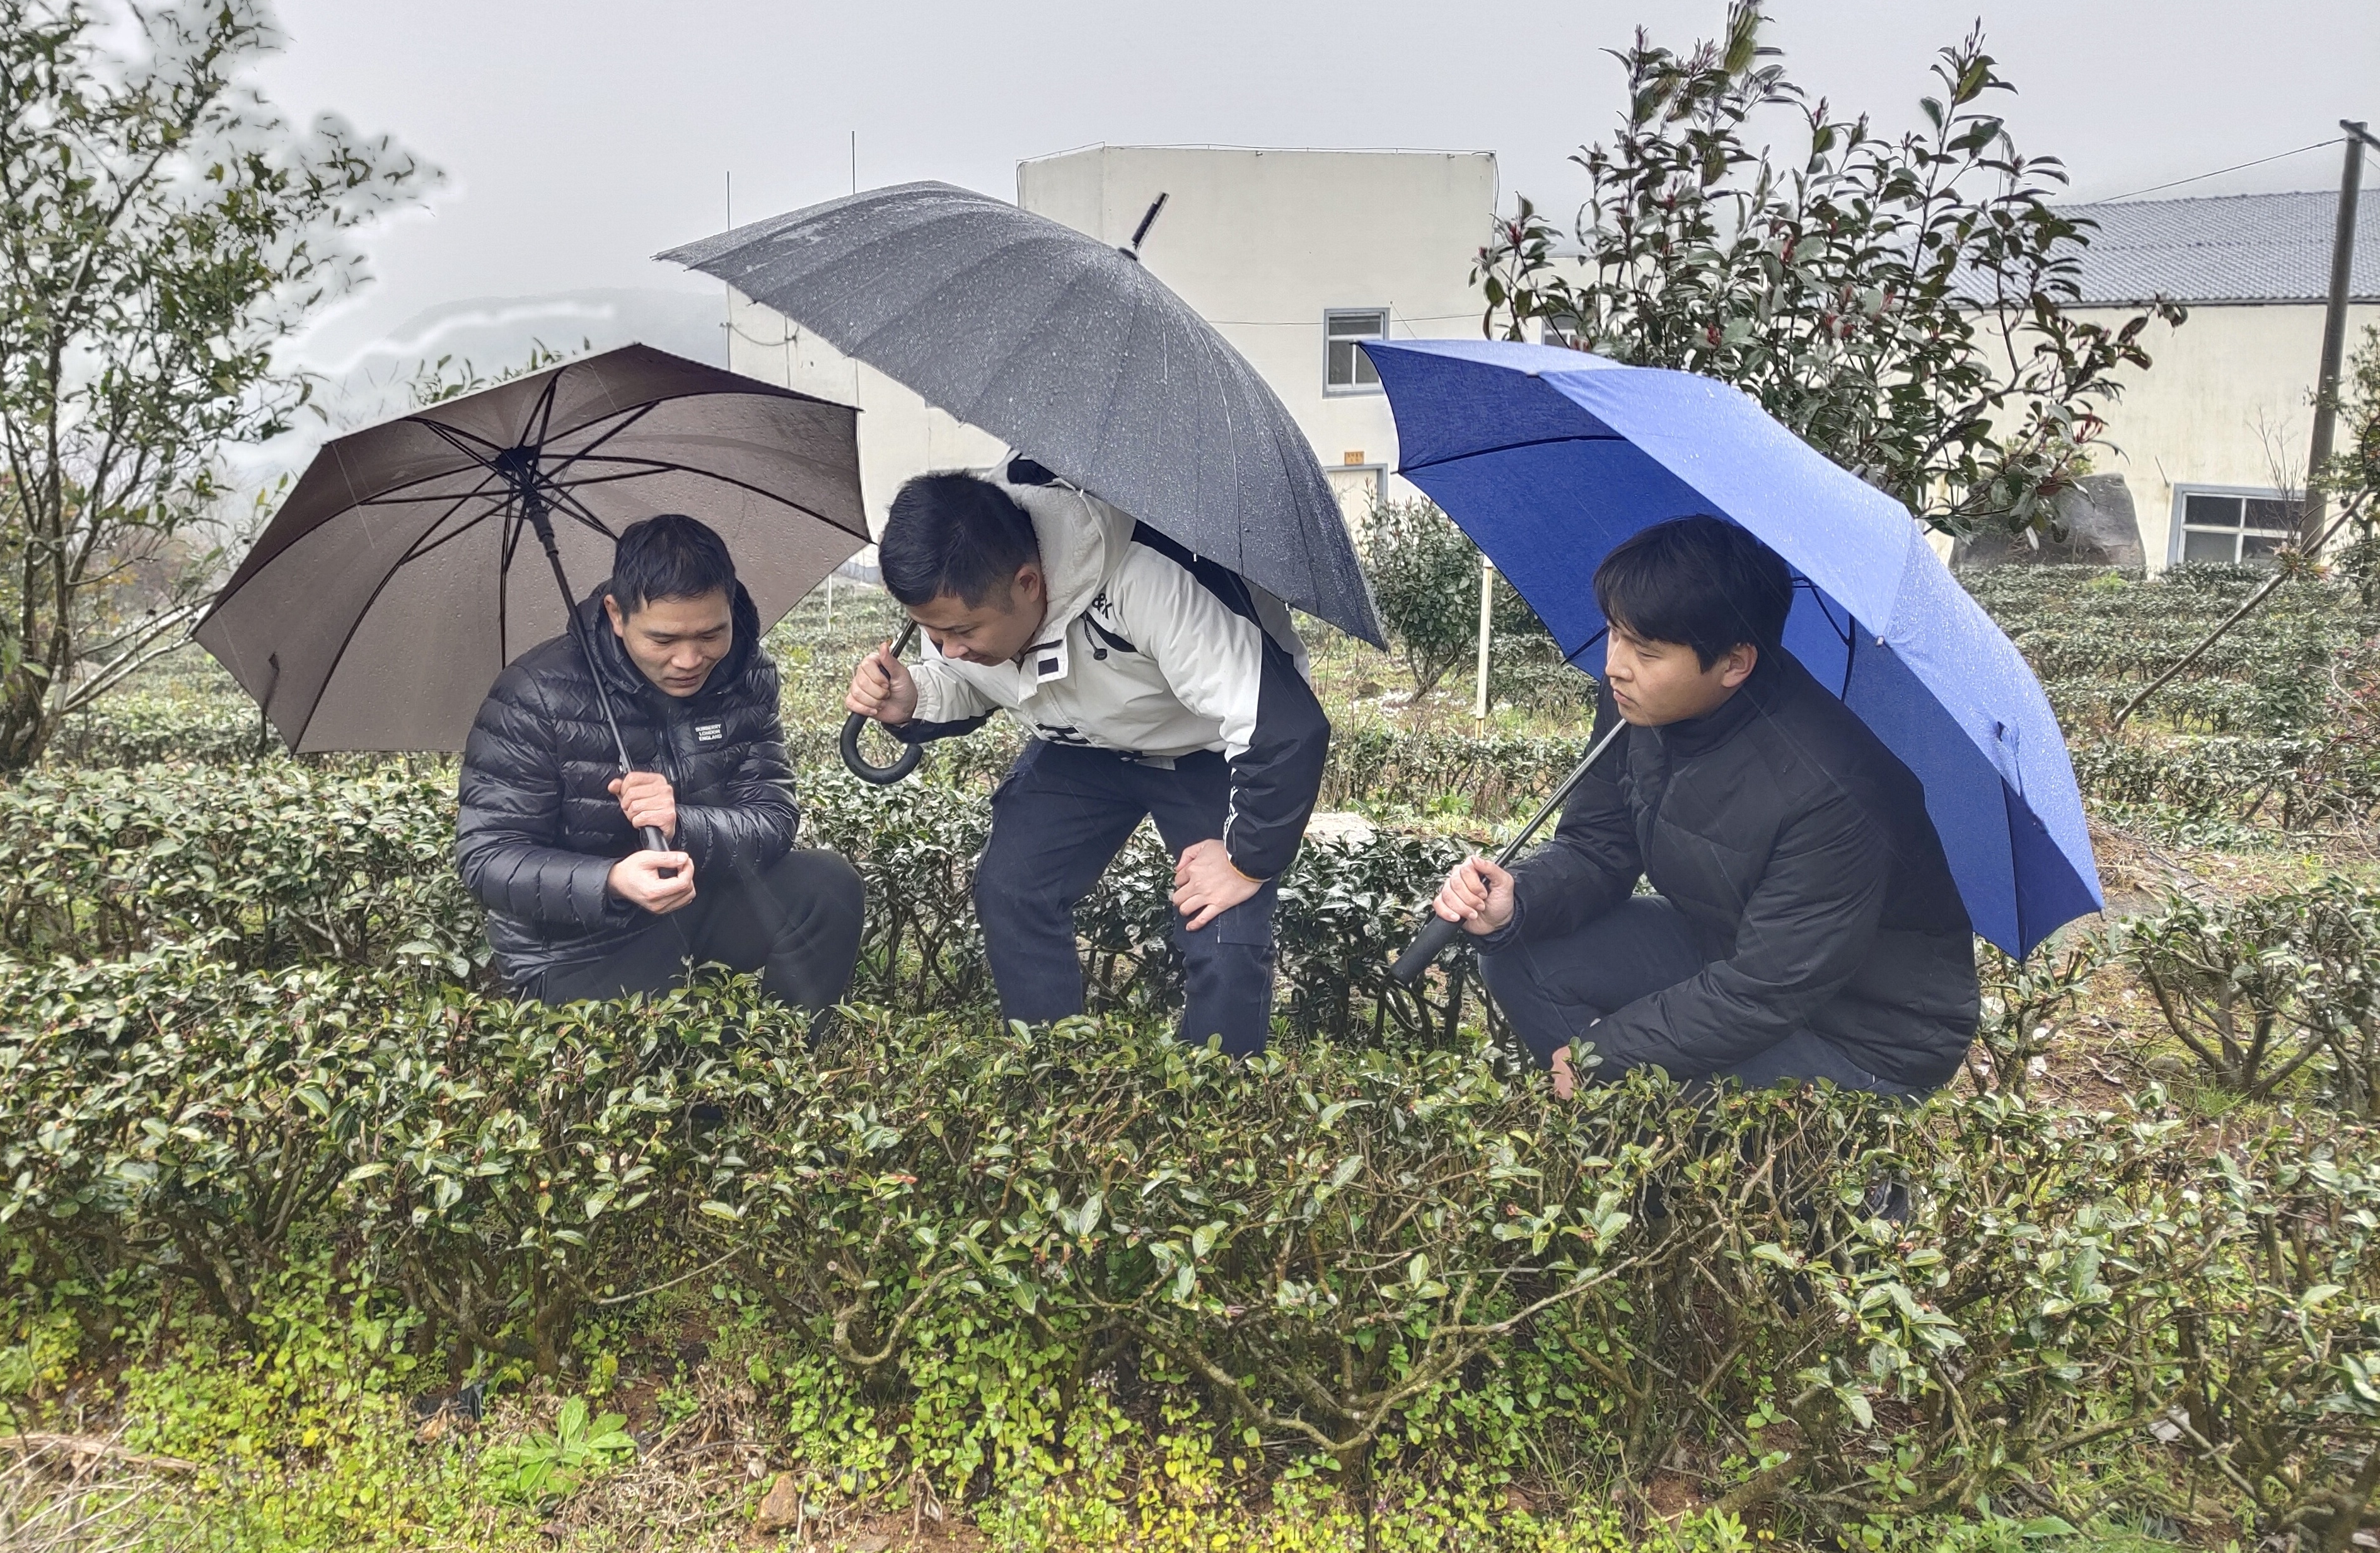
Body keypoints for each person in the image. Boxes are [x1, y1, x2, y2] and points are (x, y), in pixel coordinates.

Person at [1431, 515, 1977, 1098]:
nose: (1616, 664)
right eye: (1615, 633)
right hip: (1727, 947)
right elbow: (1597, 846)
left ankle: (1783, 1173)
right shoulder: (1637, 703)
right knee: (1522, 954)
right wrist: (1520, 900)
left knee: (1661, 1091)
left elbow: (1767, 989)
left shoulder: (1834, 791)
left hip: (1861, 1032)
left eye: (1645, 649)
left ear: (1735, 663)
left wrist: (1605, 1053)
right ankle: (1619, 1141)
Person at [844, 463, 1330, 1057]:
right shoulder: (964, 581)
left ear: (1028, 583)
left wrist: (1245, 863)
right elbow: (973, 677)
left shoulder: (1147, 580)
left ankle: (1217, 1106)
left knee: (1223, 929)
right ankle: (1051, 1072)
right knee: (1013, 887)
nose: (949, 648)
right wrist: (913, 694)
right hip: (1082, 746)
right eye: (931, 633)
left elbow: (1285, 727)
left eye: (961, 631)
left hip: (1205, 747)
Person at [458, 513, 864, 1011]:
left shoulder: (745, 675)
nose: (690, 661)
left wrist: (681, 825)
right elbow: (488, 857)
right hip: (578, 950)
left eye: (711, 635)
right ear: (615, 614)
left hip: (696, 907)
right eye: (664, 641)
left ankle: (788, 1063)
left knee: (827, 886)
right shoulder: (535, 694)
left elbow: (773, 818)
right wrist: (611, 882)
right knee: (667, 1072)